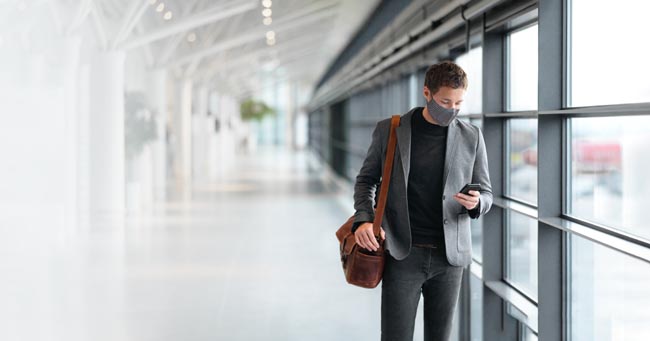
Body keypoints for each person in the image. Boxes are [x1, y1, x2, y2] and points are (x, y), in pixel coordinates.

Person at [351, 61, 493, 341]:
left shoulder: (471, 136)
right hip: (403, 253)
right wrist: (364, 219)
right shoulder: (390, 131)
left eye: (458, 103)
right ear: (426, 93)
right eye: (445, 101)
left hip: (449, 259)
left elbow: (488, 193)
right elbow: (366, 180)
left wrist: (476, 203)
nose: (451, 109)